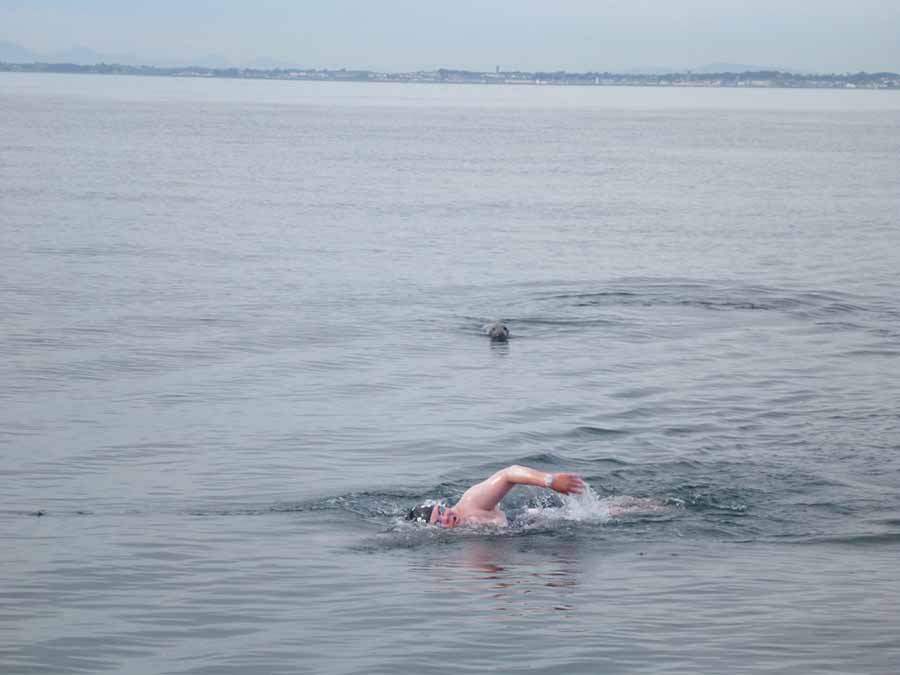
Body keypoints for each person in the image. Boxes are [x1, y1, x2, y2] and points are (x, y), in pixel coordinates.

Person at [406, 464, 586, 528]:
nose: (447, 516)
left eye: (442, 510)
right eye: (439, 521)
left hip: (529, 519)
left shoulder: (471, 503)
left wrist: (550, 480)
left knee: (600, 513)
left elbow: (510, 473)